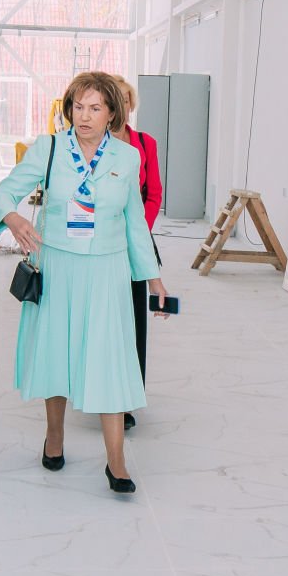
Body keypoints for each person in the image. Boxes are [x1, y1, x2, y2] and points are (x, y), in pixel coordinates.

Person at [0, 72, 169, 494]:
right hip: (57, 266)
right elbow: (4, 193)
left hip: (108, 271)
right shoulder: (49, 148)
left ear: (112, 114)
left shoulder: (127, 157)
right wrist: (13, 218)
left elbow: (134, 223)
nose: (84, 116)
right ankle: (54, 436)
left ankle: (116, 461)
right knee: (56, 353)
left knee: (110, 358)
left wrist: (153, 278)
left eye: (95, 108)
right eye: (77, 106)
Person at [111, 75, 163, 431]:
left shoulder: (145, 143)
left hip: (135, 243)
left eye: (126, 99)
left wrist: (137, 230)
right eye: (114, 100)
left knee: (133, 322)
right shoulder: (90, 142)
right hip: (100, 245)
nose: (121, 106)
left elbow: (153, 193)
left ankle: (128, 400)